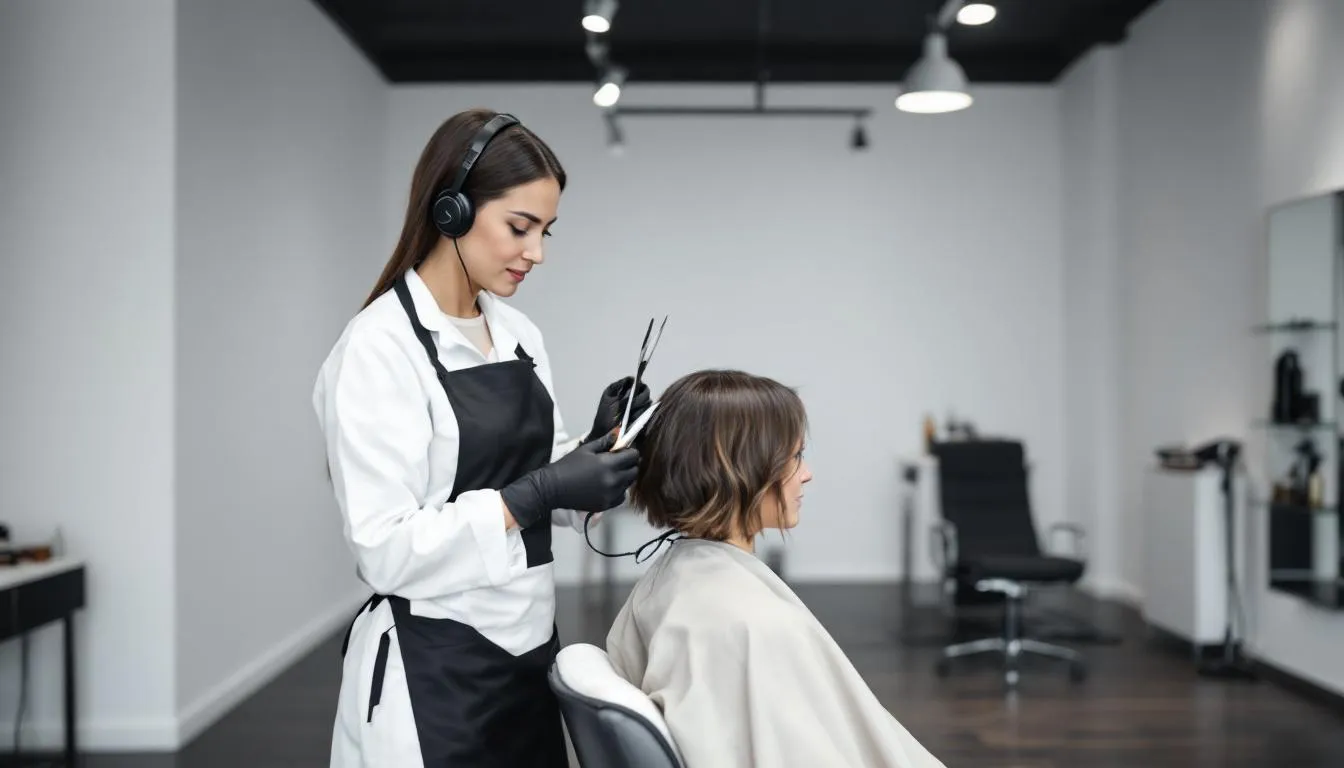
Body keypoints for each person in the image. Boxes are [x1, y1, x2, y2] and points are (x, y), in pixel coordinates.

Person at [313, 108, 651, 768]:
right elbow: (384, 549)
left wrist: (592, 448)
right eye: (520, 228)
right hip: (433, 667)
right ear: (452, 212)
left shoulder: (520, 335)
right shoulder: (377, 350)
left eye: (546, 231)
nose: (538, 253)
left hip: (528, 650)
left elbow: (536, 474)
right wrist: (535, 492)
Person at [605, 370, 946, 768]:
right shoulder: (750, 627)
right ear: (738, 468)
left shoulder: (675, 581)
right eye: (796, 457)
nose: (807, 473)